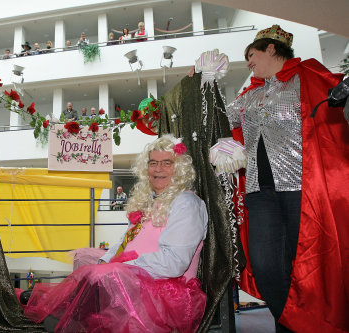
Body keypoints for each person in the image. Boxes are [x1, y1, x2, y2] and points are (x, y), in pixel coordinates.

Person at [226, 25, 349, 332]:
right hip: (259, 193)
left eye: (251, 55)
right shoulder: (248, 96)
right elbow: (218, 116)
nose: (249, 63)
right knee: (266, 268)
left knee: (308, 269)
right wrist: (201, 84)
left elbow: (337, 94)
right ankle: (296, 323)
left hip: (302, 190)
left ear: (271, 49)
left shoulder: (307, 77)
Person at [20, 135, 208, 332]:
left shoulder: (187, 203)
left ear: (179, 168)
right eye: (153, 163)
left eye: (166, 163)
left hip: (163, 285)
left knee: (106, 273)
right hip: (133, 272)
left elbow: (173, 263)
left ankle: (64, 308)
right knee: (86, 257)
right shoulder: (149, 200)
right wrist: (107, 261)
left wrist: (121, 268)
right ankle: (70, 308)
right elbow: (123, 243)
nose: (158, 169)